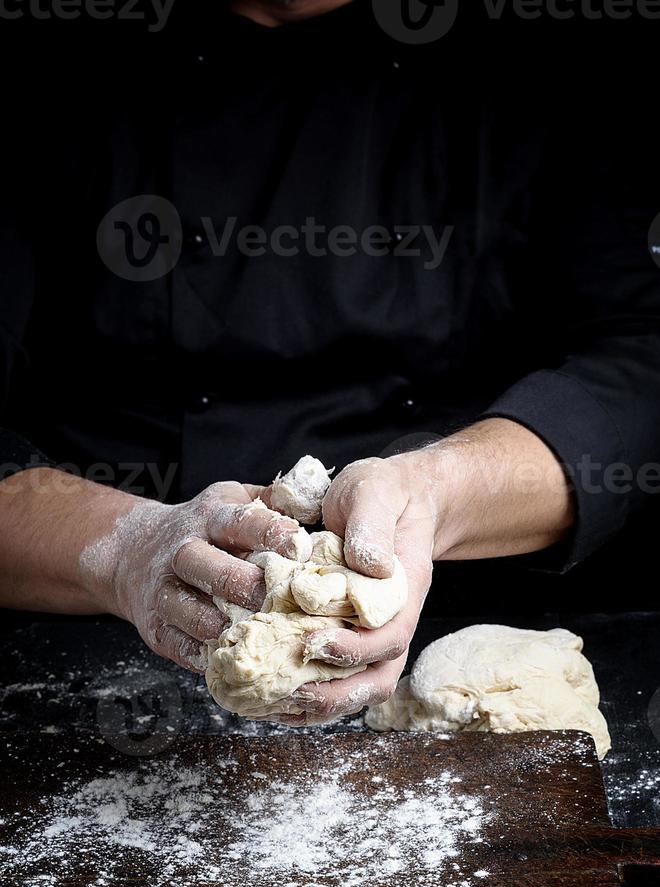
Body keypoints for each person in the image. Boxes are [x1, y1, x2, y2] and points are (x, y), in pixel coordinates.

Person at [0, 0, 659, 726]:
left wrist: (438, 492)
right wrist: (127, 551)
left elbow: (639, 363)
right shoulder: (43, 54)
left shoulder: (537, 55)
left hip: (462, 634)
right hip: (79, 655)